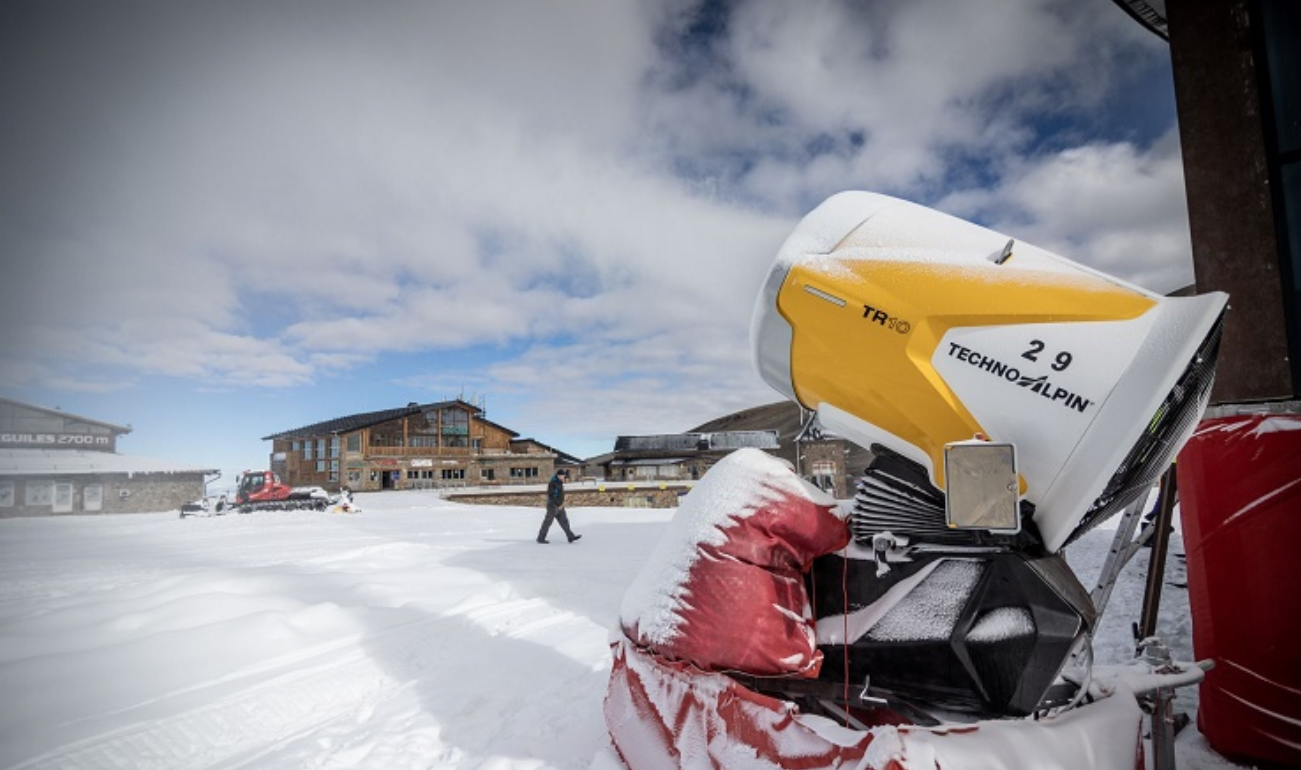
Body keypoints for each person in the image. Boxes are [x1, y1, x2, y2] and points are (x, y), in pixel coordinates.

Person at [537, 469, 581, 544]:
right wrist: (558, 504)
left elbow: (559, 495)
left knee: (564, 521)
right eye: (563, 476)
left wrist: (561, 504)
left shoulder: (559, 483)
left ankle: (570, 537)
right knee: (547, 522)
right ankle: (541, 538)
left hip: (560, 506)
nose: (564, 477)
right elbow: (551, 495)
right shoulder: (553, 483)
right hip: (552, 506)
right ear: (559, 476)